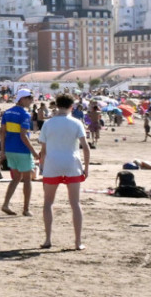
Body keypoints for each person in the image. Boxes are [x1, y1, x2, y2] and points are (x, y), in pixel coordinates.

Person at [38, 94, 90, 251]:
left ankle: (47, 239)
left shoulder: (48, 124)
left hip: (52, 164)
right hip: (71, 164)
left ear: (56, 106)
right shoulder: (76, 122)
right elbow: (86, 147)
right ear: (71, 107)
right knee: (75, 203)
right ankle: (78, 241)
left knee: (48, 203)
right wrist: (86, 168)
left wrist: (41, 166)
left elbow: (44, 149)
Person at [0, 89, 36, 216]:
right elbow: (23, 136)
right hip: (22, 150)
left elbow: (2, 132)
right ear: (22, 99)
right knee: (27, 180)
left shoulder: (7, 112)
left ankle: (6, 204)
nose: (31, 101)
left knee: (15, 178)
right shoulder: (25, 114)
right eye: (29, 98)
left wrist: (2, 150)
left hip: (10, 149)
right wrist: (34, 152)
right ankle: (26, 209)